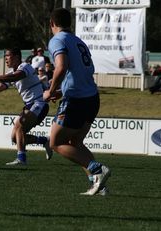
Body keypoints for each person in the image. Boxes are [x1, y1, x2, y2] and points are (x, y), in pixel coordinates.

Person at [43, 8, 111, 196]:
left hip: (77, 99)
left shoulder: (57, 40)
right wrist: (60, 90)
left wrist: (49, 91)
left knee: (55, 142)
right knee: (75, 142)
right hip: (92, 97)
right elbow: (78, 71)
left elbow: (62, 66)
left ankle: (97, 169)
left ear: (51, 24)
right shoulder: (78, 40)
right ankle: (99, 185)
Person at [0, 48, 53, 166]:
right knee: (15, 138)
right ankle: (44, 140)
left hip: (39, 103)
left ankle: (22, 159)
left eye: (8, 56)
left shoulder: (25, 66)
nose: (5, 59)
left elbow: (15, 77)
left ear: (16, 57)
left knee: (20, 126)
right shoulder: (11, 73)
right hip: (30, 105)